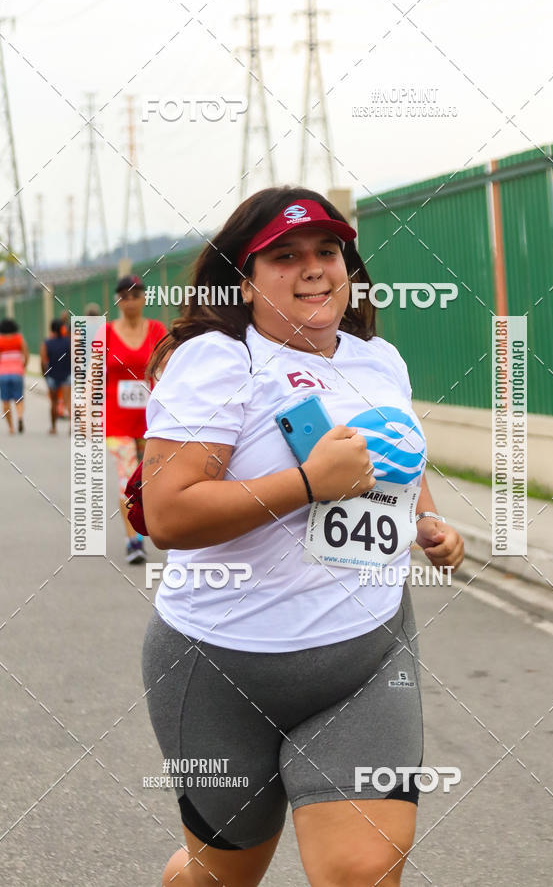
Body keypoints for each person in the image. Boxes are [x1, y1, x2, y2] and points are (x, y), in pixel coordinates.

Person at [141, 187, 465, 887]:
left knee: (361, 870)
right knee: (219, 878)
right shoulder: (219, 361)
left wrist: (428, 522)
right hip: (218, 665)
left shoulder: (379, 360)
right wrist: (309, 484)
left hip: (365, 658)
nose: (314, 267)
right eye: (284, 256)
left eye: (327, 250)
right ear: (244, 280)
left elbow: (395, 461)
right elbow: (168, 514)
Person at [104, 275, 167, 563]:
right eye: (124, 295)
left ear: (144, 298)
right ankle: (133, 541)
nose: (130, 300)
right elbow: (93, 376)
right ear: (117, 300)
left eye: (135, 294)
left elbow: (167, 369)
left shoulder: (156, 330)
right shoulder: (105, 333)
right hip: (116, 421)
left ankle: (150, 530)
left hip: (150, 420)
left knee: (148, 480)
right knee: (125, 476)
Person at [40, 318, 71, 434]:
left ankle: (53, 427)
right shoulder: (68, 342)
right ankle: (72, 427)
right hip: (66, 374)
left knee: (54, 402)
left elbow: (43, 361)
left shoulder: (47, 343)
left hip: (52, 376)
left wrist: (44, 374)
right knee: (68, 402)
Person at [0, 318, 29, 434]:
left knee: (5, 401)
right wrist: (23, 366)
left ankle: (11, 427)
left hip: (3, 374)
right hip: (17, 372)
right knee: (19, 399)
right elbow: (26, 355)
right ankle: (20, 417)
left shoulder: (0, 340)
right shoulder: (19, 339)